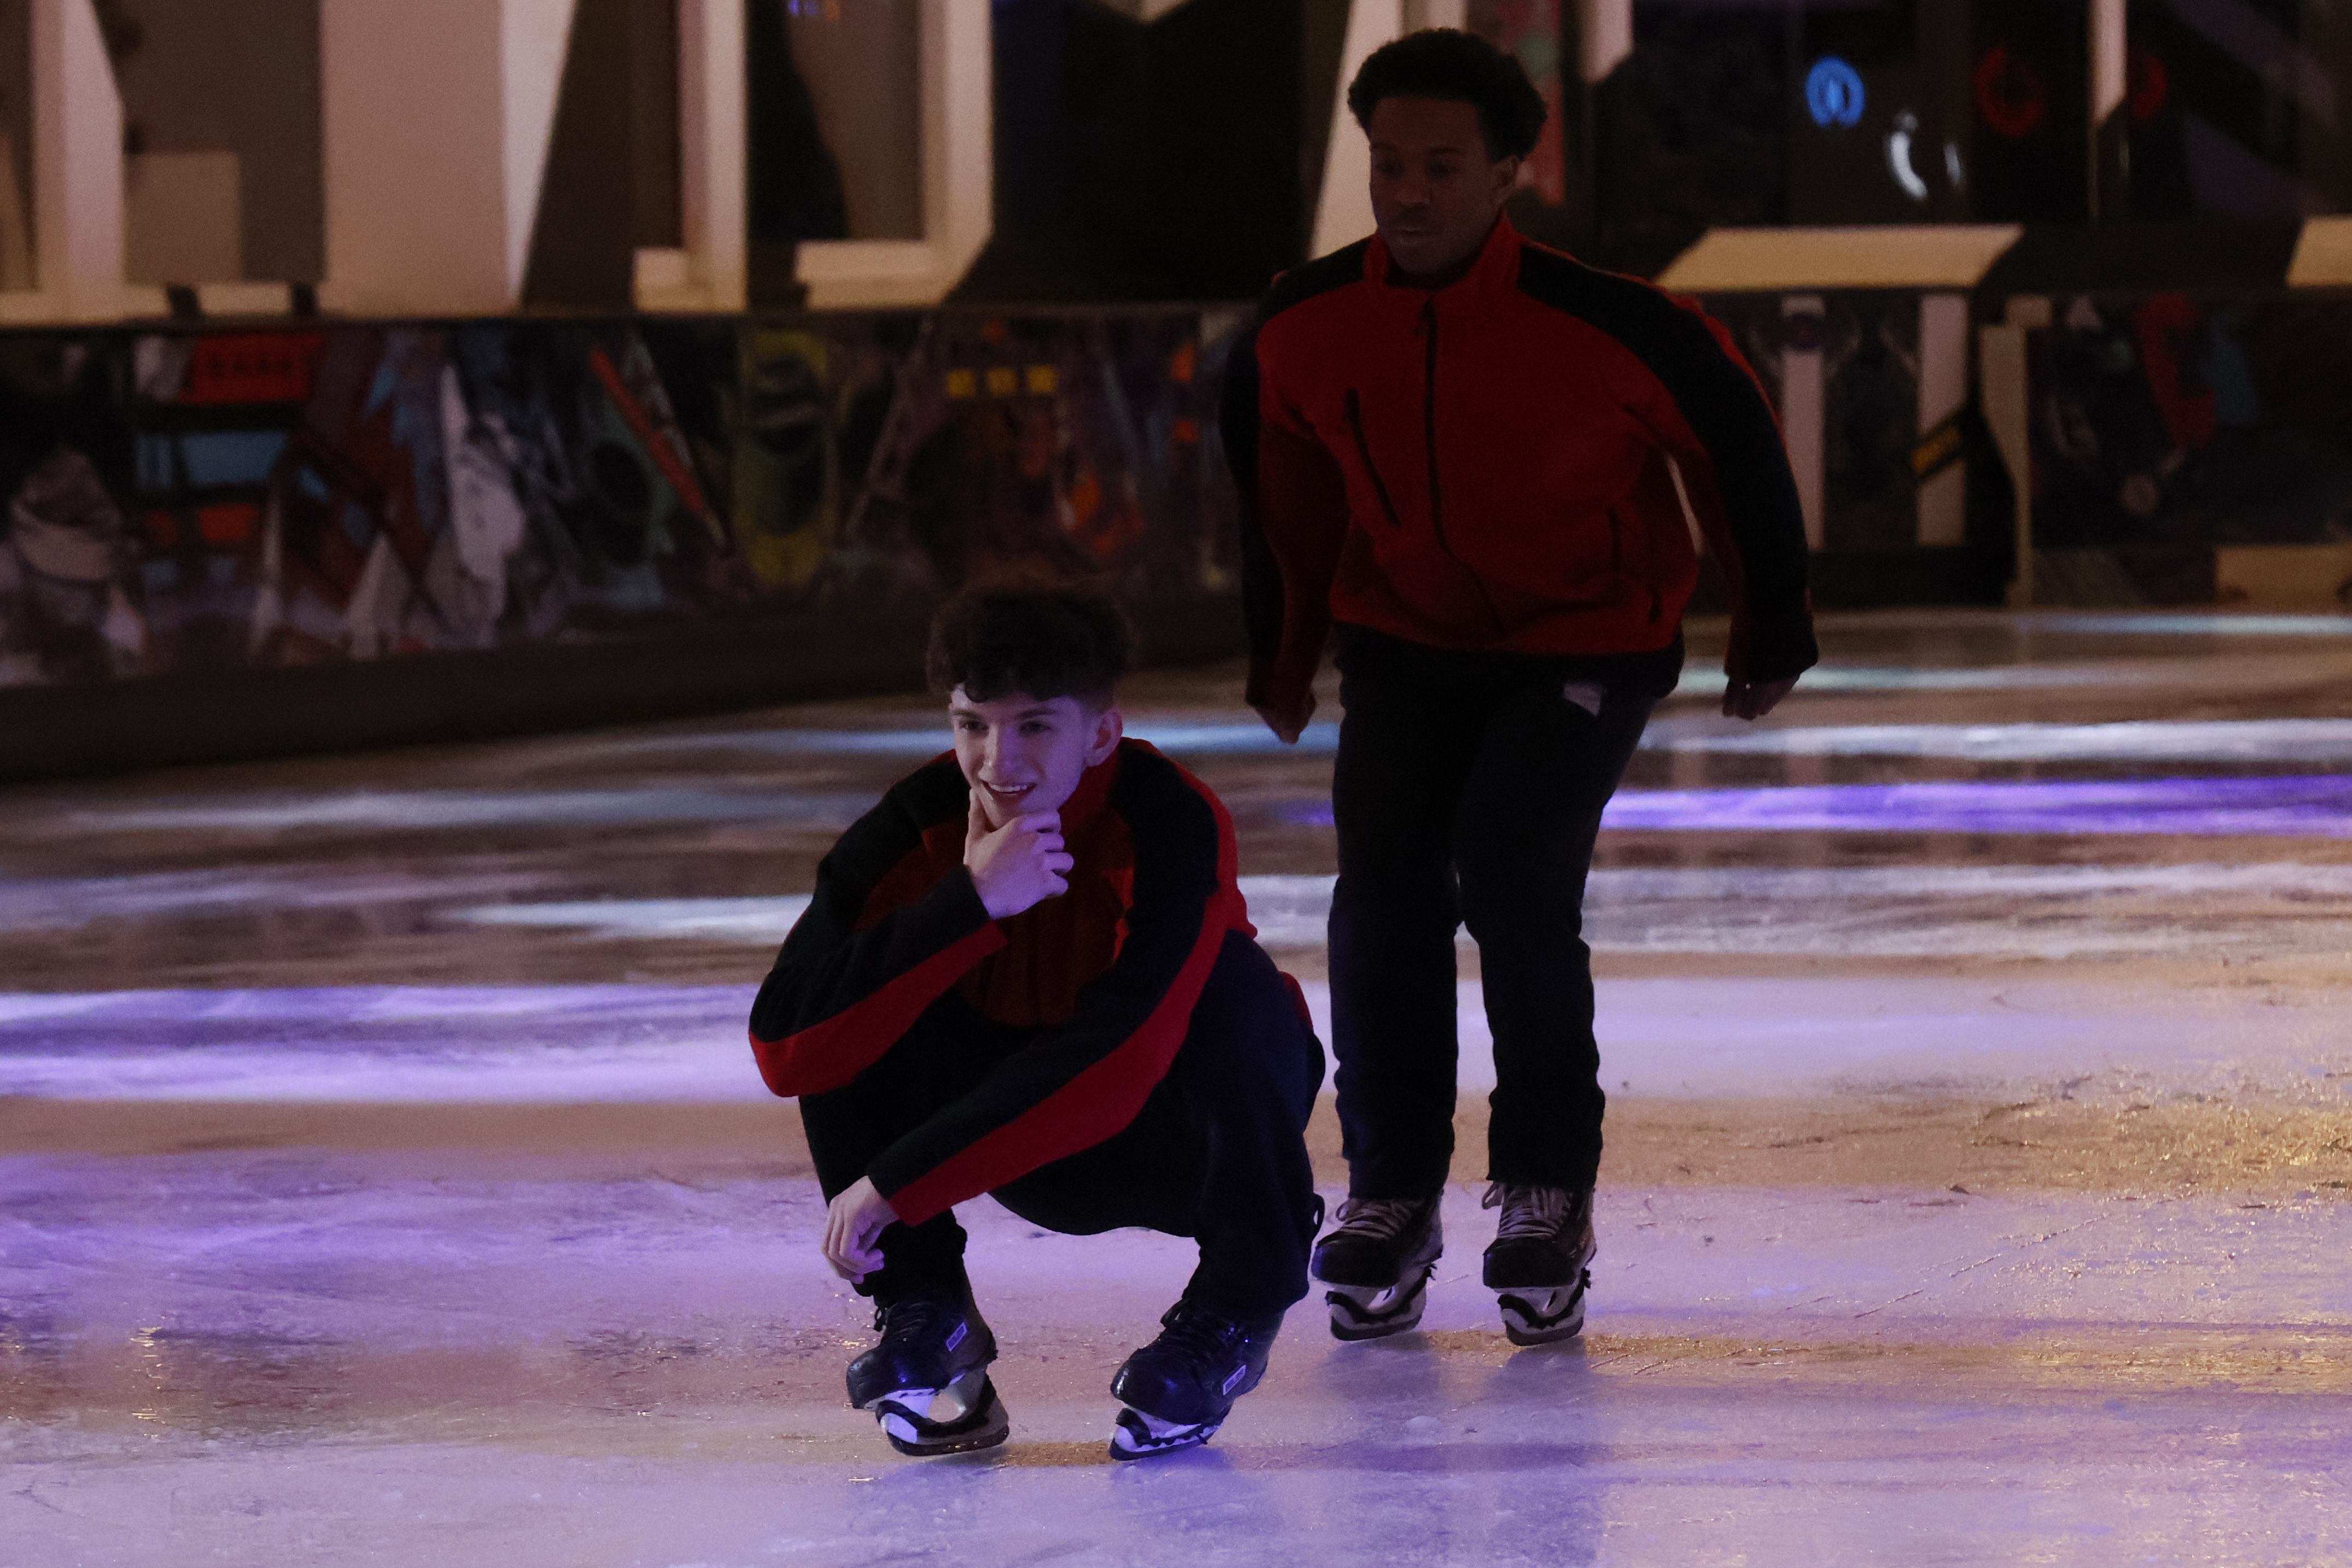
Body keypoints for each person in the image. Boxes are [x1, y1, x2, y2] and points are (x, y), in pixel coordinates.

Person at [1221, 30, 1817, 1347]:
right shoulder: (1306, 323)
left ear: (1508, 175)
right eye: (1389, 166)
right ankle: (1388, 1193)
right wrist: (1285, 647)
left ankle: (1545, 1186)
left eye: (1442, 166)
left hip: (1583, 639)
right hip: (1408, 640)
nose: (1411, 193)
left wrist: (1767, 620)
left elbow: (1732, 437)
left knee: (1505, 868)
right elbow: (1282, 486)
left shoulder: (1609, 323)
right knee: (1380, 888)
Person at [748, 583, 1325, 1459]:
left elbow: (1122, 1059)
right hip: (1011, 1134)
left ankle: (1234, 1311)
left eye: (1035, 727)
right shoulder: (915, 824)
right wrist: (966, 905)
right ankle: (927, 1310)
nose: (995, 759)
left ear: (1101, 734)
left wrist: (895, 1184)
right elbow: (786, 1042)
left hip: (1162, 1138)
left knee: (1236, 991)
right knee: (852, 994)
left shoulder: (1169, 819)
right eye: (973, 723)